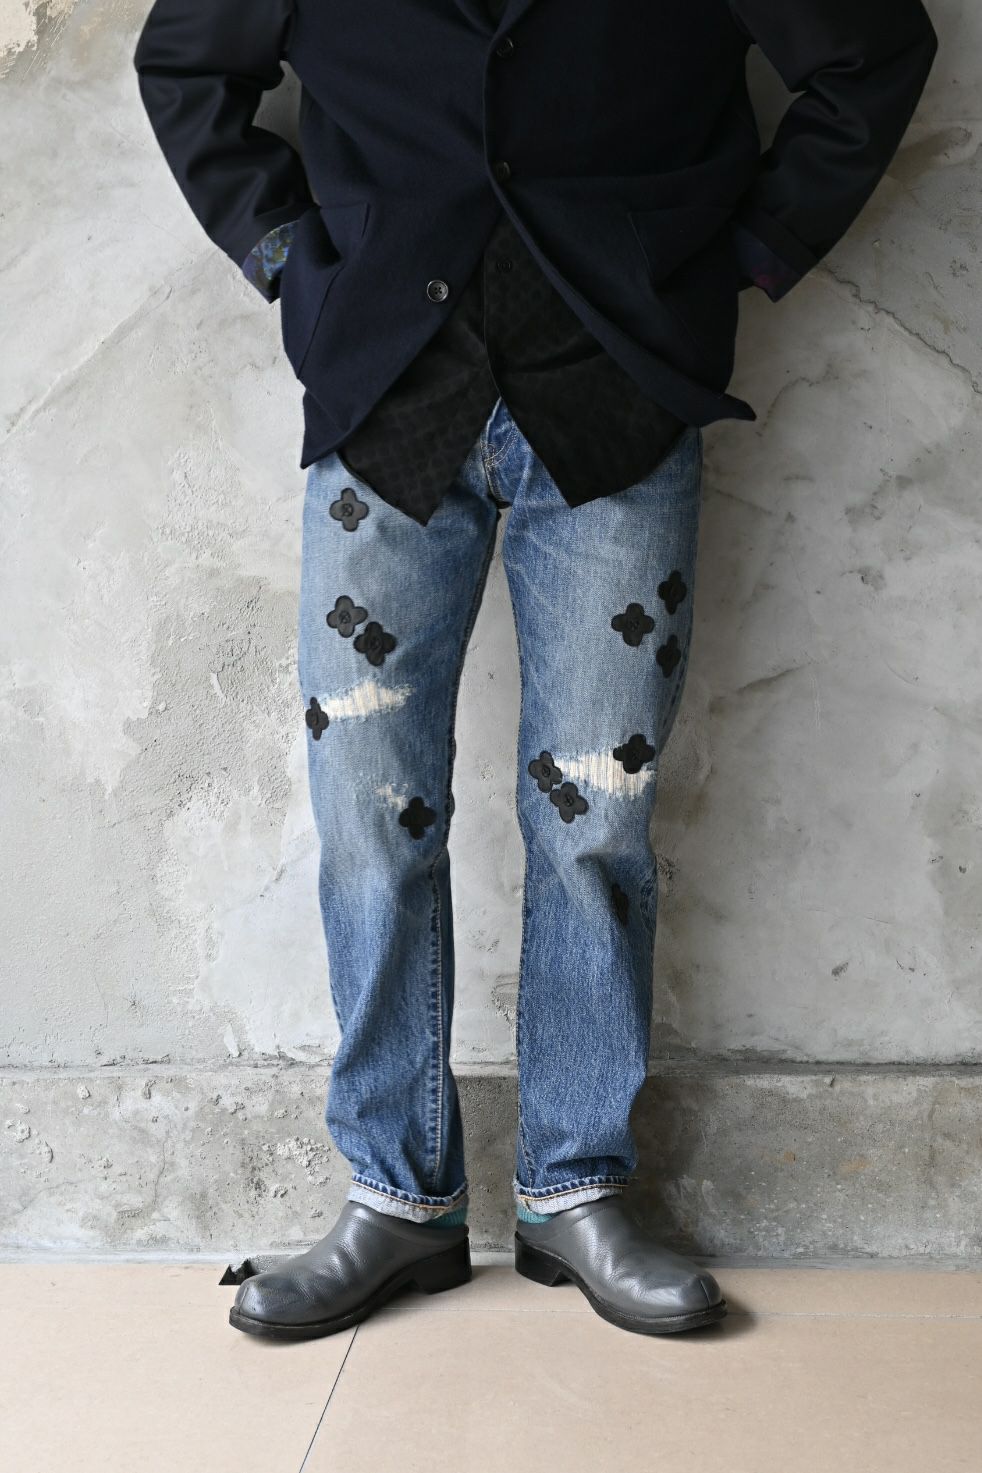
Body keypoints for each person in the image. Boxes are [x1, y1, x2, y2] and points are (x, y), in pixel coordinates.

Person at [133, 0, 937, 1339]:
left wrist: (740, 255)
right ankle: (397, 1196)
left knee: (595, 818)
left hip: (618, 399)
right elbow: (184, 67)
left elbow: (872, 51)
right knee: (367, 817)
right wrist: (289, 258)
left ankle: (577, 1186)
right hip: (382, 399)